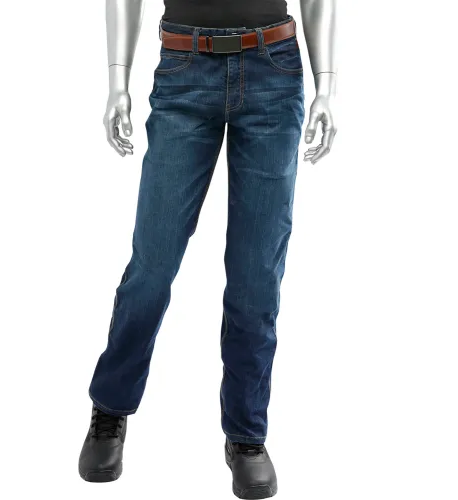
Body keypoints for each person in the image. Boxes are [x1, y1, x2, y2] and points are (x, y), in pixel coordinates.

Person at [78, 1, 337, 498]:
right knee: (152, 264)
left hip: (273, 72)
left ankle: (247, 435)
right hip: (184, 68)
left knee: (256, 276)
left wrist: (327, 85)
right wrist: (117, 82)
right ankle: (110, 407)